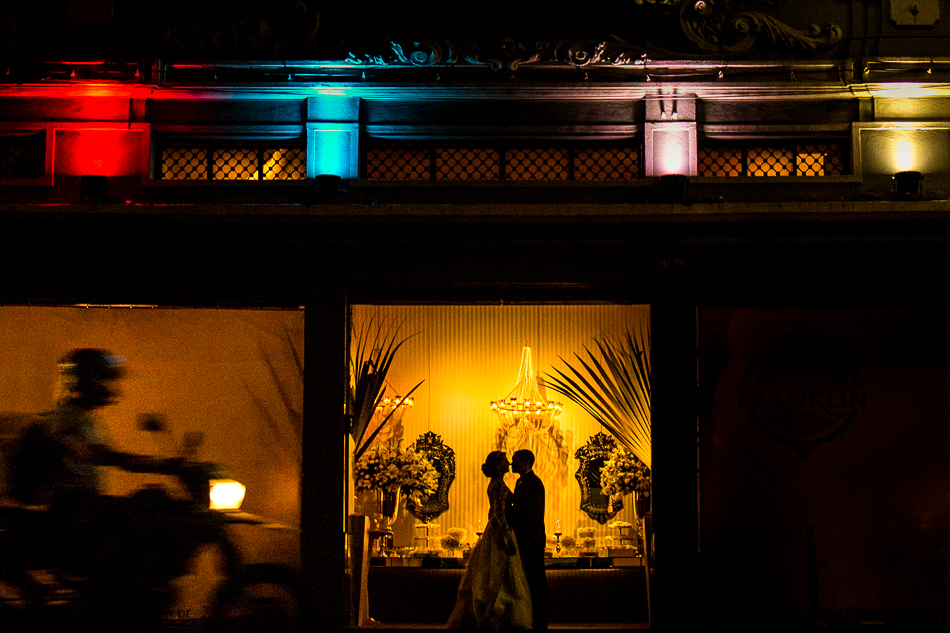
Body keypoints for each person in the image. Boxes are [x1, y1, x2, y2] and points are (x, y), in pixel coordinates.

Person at [8, 348, 184, 628]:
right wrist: (161, 464)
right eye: (103, 378)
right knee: (141, 515)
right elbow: (95, 454)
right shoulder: (64, 417)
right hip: (73, 508)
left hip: (83, 505)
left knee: (151, 502)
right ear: (84, 380)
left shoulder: (83, 419)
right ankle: (116, 599)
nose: (110, 386)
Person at [448, 451, 533, 630]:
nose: (508, 463)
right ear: (497, 465)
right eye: (504, 461)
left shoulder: (497, 483)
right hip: (499, 533)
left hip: (497, 529)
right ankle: (496, 618)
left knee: (499, 571)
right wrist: (507, 537)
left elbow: (493, 511)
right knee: (497, 571)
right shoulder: (496, 484)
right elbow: (499, 513)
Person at [509, 449, 549, 630]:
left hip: (531, 538)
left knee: (536, 578)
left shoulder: (533, 483)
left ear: (525, 462)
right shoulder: (522, 481)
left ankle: (541, 618)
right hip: (525, 537)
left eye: (515, 460)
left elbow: (528, 513)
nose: (511, 463)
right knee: (529, 577)